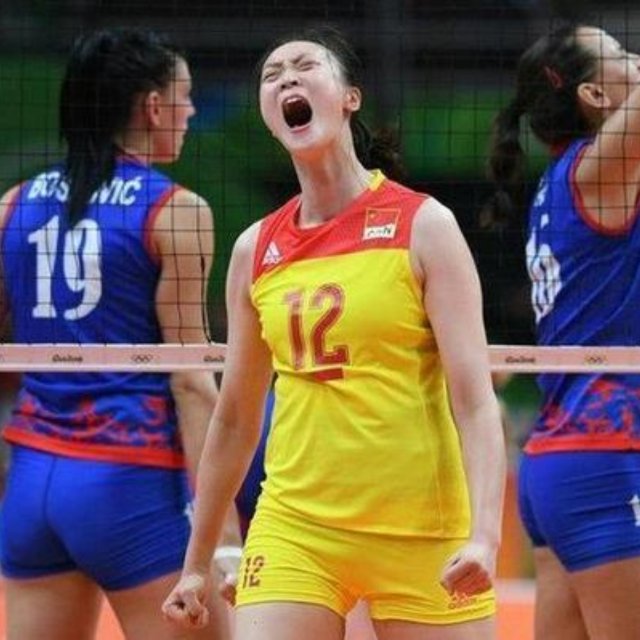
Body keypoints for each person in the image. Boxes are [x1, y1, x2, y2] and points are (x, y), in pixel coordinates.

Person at [163, 24, 506, 640]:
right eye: (272, 75)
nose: (286, 79)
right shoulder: (255, 248)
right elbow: (235, 417)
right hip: (298, 526)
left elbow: (475, 401)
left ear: (350, 97)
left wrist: (486, 534)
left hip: (422, 529)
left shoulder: (424, 225)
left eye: (305, 66)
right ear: (270, 118)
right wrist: (197, 562)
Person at [0, 27, 233, 640]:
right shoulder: (177, 211)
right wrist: (226, 534)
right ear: (153, 106)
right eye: (185, 95)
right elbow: (191, 382)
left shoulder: (14, 203)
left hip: (31, 479)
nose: (190, 110)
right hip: (130, 481)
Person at [487, 23, 640, 640]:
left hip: (558, 465)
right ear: (595, 96)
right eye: (622, 54)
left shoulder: (566, 180)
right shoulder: (596, 170)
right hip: (608, 451)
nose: (636, 58)